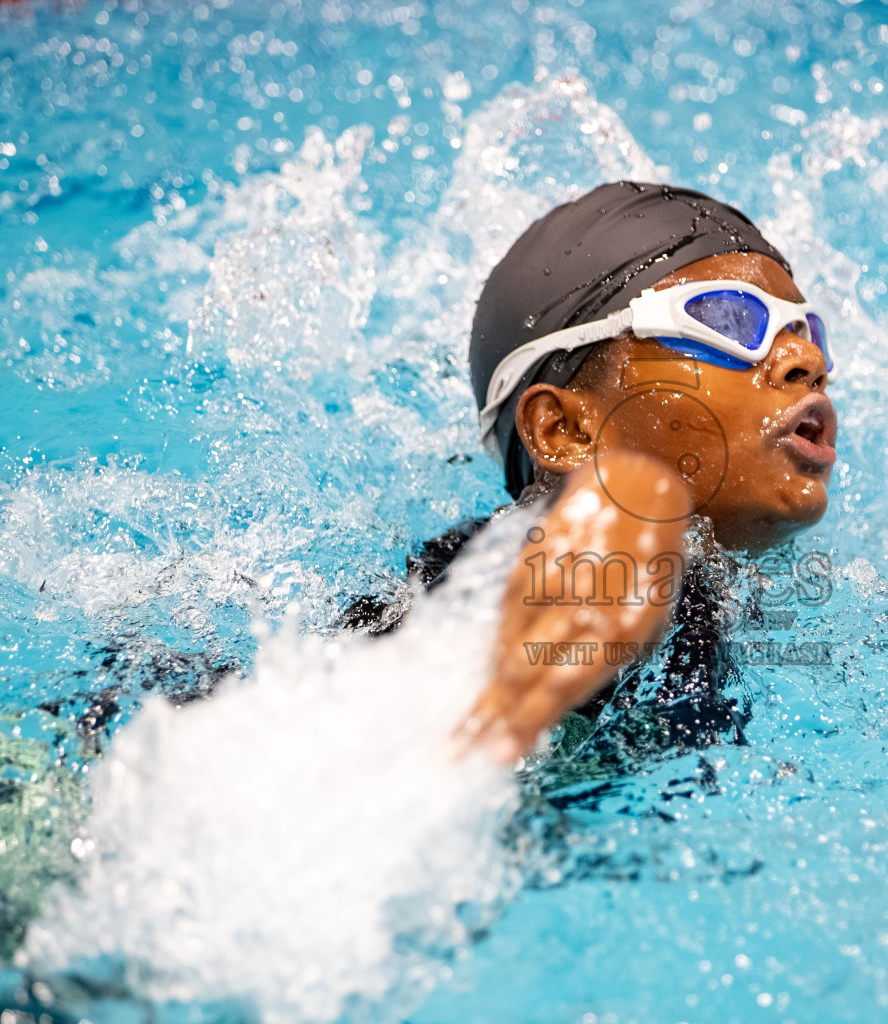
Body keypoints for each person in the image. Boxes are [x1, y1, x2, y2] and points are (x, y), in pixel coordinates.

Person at [341, 181, 838, 766]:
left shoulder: (729, 603)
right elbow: (609, 512)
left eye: (804, 330)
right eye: (728, 319)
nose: (807, 361)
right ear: (565, 430)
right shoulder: (518, 562)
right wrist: (632, 506)